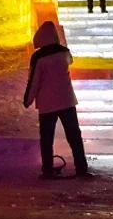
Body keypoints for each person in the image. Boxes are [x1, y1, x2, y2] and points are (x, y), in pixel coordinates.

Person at [23, 21, 90, 179]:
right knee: (74, 136)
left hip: (47, 104)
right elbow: (70, 61)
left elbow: (34, 82)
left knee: (47, 139)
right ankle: (81, 168)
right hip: (67, 101)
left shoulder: (38, 57)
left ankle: (47, 170)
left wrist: (28, 100)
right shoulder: (64, 52)